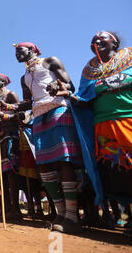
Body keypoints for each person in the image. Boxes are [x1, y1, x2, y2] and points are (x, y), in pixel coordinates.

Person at [0, 42, 83, 233]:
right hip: (38, 117)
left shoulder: (51, 61)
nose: (17, 54)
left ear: (33, 50)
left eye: (20, 50)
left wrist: (57, 85)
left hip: (58, 110)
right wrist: (6, 108)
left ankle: (72, 216)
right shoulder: (23, 77)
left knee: (64, 162)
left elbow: (71, 86)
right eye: (15, 52)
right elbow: (27, 104)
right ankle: (60, 213)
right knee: (43, 166)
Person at [53, 31, 132, 229]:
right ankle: (127, 217)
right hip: (103, 127)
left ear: (114, 42)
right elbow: (83, 99)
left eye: (102, 38)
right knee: (116, 172)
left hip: (128, 119)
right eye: (93, 40)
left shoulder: (129, 56)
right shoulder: (89, 70)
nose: (96, 41)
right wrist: (68, 95)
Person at [0, 74, 22, 221]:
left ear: (4, 82)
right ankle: (6, 207)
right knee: (0, 174)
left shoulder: (11, 95)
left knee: (10, 172)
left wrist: (5, 117)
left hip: (10, 135)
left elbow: (21, 114)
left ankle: (16, 209)